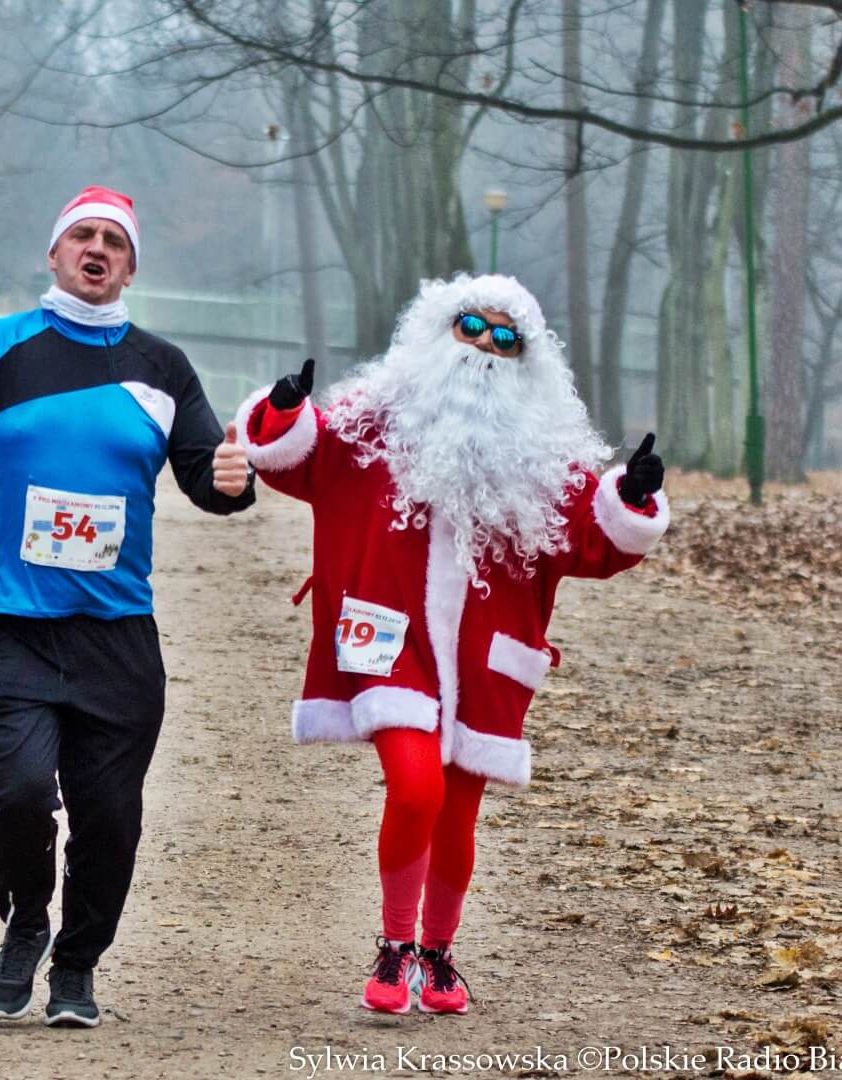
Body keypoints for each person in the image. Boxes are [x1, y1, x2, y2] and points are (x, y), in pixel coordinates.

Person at [0, 185, 255, 1028]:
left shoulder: (162, 367)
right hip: (9, 622)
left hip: (116, 635)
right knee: (19, 792)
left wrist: (230, 484)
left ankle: (76, 967)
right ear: (55, 252)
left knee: (110, 820)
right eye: (83, 234)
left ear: (130, 265)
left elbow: (206, 473)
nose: (97, 248)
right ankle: (27, 917)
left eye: (114, 239)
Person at [234, 273, 667, 1016]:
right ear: (438, 333)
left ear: (527, 360)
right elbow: (294, 460)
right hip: (386, 637)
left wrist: (632, 499)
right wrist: (281, 413)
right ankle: (396, 942)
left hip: (486, 661)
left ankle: (438, 953)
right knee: (416, 786)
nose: (485, 348)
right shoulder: (371, 425)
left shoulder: (543, 461)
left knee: (458, 812)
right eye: (472, 328)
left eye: (506, 338)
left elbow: (597, 542)